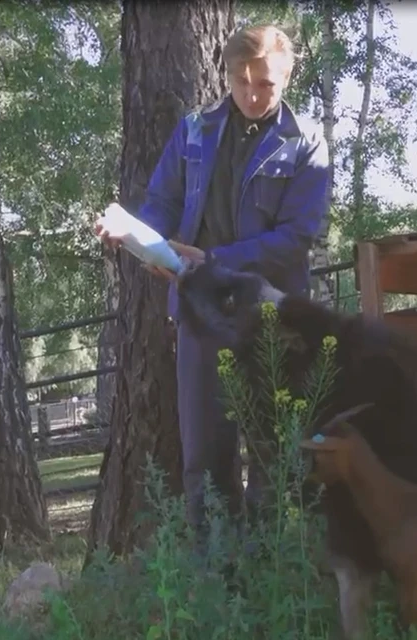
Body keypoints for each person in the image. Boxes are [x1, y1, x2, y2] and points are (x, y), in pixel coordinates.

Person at [96, 25, 330, 537]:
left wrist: (214, 258)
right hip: (201, 314)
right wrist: (132, 233)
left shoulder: (307, 142)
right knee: (204, 458)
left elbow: (298, 236)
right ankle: (218, 588)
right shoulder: (195, 131)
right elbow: (161, 204)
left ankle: (267, 577)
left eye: (265, 84)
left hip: (272, 318)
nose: (251, 94)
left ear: (287, 76)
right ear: (226, 75)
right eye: (242, 81)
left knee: (273, 455)